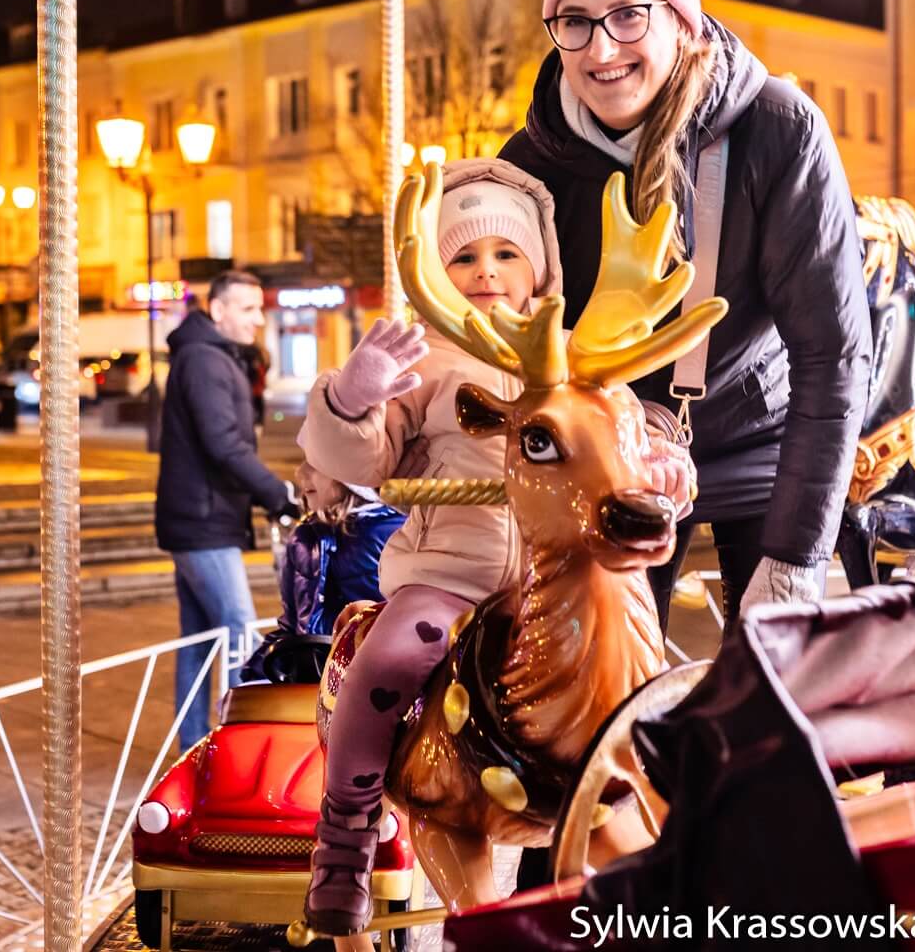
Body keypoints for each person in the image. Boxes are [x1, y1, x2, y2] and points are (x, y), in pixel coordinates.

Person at [295, 158, 696, 936]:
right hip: (457, 575)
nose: (487, 272)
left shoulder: (588, 359)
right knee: (394, 653)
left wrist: (666, 466)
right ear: (439, 274)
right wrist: (351, 399)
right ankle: (345, 830)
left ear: (539, 267)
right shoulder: (427, 366)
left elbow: (630, 444)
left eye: (506, 254)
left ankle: (672, 812)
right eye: (465, 256)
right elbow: (361, 462)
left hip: (572, 579)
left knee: (649, 678)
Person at [499, 0, 872, 631]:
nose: (601, 49)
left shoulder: (779, 129)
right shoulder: (529, 164)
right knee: (595, 700)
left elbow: (834, 354)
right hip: (618, 459)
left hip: (767, 448)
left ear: (680, 17)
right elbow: (512, 350)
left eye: (628, 14)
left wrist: (797, 558)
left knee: (771, 692)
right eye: (574, 21)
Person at [157, 270, 301, 746]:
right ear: (218, 311)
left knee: (198, 643)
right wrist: (276, 493)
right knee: (240, 633)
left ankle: (195, 747)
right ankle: (247, 752)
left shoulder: (212, 358)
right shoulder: (204, 361)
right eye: (247, 309)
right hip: (203, 523)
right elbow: (222, 443)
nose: (258, 319)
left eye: (259, 309)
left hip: (202, 518)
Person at [240, 462, 404, 683]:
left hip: (371, 679)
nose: (301, 472)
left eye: (316, 464)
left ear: (350, 476)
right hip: (310, 675)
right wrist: (255, 674)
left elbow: (399, 627)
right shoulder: (304, 537)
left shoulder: (393, 534)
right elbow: (292, 625)